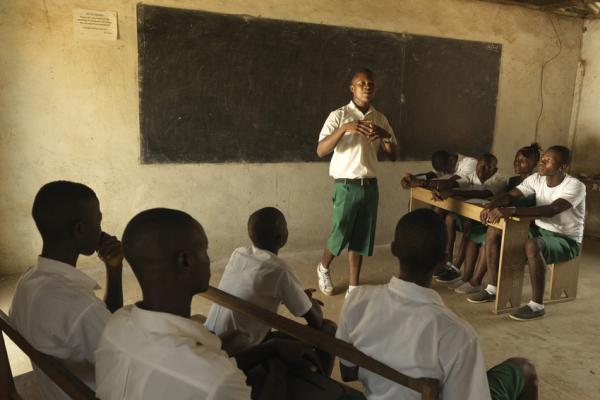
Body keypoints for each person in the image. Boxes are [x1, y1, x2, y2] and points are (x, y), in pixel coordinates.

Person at [95, 208, 331, 400]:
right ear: (186, 261)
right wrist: (277, 366)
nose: (210, 260)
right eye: (204, 251)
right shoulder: (216, 379)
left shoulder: (115, 325)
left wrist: (271, 348)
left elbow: (213, 360)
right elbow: (214, 371)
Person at [335, 209, 538, 400]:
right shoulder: (457, 335)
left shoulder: (358, 300)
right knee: (524, 369)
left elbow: (347, 371)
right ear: (443, 260)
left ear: (394, 249)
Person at [9, 181, 124, 400]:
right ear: (79, 229)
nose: (101, 229)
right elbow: (123, 356)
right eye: (98, 222)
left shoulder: (27, 281)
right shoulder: (79, 306)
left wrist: (114, 268)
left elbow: (108, 325)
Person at [205, 207, 336, 374]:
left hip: (214, 339)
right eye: (286, 227)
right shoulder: (280, 270)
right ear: (280, 237)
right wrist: (304, 300)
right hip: (237, 354)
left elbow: (253, 290)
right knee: (328, 329)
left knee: (274, 333)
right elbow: (316, 320)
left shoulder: (238, 253)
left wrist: (296, 296)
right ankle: (323, 386)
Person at [470, 146, 585, 321]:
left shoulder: (575, 186)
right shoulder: (537, 178)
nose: (542, 162)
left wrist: (512, 210)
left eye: (548, 160)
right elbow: (511, 195)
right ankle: (493, 289)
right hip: (540, 230)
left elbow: (552, 209)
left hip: (566, 239)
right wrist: (492, 205)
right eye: (542, 158)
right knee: (494, 230)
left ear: (562, 167)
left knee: (532, 245)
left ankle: (537, 306)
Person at [316, 68, 398, 298]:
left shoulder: (380, 118)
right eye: (361, 83)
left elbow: (393, 155)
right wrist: (344, 129)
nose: (367, 86)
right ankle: (323, 267)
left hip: (370, 186)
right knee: (339, 235)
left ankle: (354, 286)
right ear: (352, 88)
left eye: (370, 83)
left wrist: (384, 135)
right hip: (346, 185)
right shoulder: (339, 115)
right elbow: (321, 150)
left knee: (361, 238)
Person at [457, 143, 540, 295]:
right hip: (505, 221)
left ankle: (477, 281)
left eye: (522, 161)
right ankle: (467, 277)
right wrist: (491, 205)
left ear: (534, 164)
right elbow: (505, 199)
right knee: (474, 233)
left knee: (485, 240)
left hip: (523, 224)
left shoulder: (538, 184)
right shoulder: (514, 181)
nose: (517, 163)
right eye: (516, 160)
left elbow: (534, 210)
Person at [431, 154, 506, 284]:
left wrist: (454, 192)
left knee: (468, 223)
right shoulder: (472, 176)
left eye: (487, 167)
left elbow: (483, 193)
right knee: (449, 218)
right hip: (470, 214)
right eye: (479, 166)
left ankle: (456, 266)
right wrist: (438, 188)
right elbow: (453, 183)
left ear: (494, 170)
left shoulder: (500, 179)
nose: (481, 170)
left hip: (488, 219)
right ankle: (448, 262)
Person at [401, 150, 478, 190]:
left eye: (445, 171)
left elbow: (450, 183)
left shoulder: (469, 163)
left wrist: (421, 182)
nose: (444, 173)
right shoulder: (448, 164)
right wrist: (413, 178)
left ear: (451, 159)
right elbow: (432, 174)